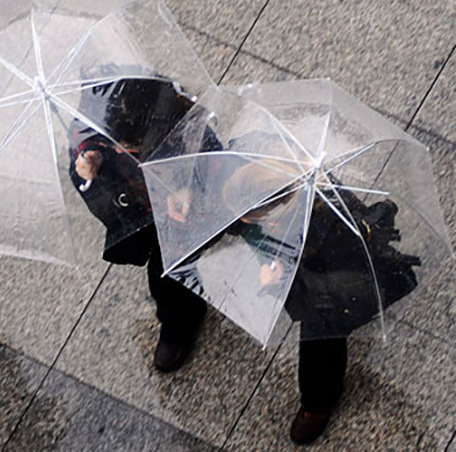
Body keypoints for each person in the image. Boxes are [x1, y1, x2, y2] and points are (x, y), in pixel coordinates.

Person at [179, 157, 420, 444]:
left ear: (275, 215)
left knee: (321, 337)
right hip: (303, 259)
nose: (241, 222)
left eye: (247, 217)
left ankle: (318, 402)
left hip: (341, 283)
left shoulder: (328, 226)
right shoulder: (270, 189)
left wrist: (279, 280)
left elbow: (322, 294)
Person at [69, 75, 220, 372]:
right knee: (162, 275)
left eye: (130, 147)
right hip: (137, 214)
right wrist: (87, 174)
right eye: (116, 145)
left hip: (179, 221)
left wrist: (187, 187)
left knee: (167, 275)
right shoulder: (98, 134)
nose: (121, 150)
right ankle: (178, 316)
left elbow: (219, 174)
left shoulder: (191, 134)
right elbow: (89, 173)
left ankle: (180, 322)